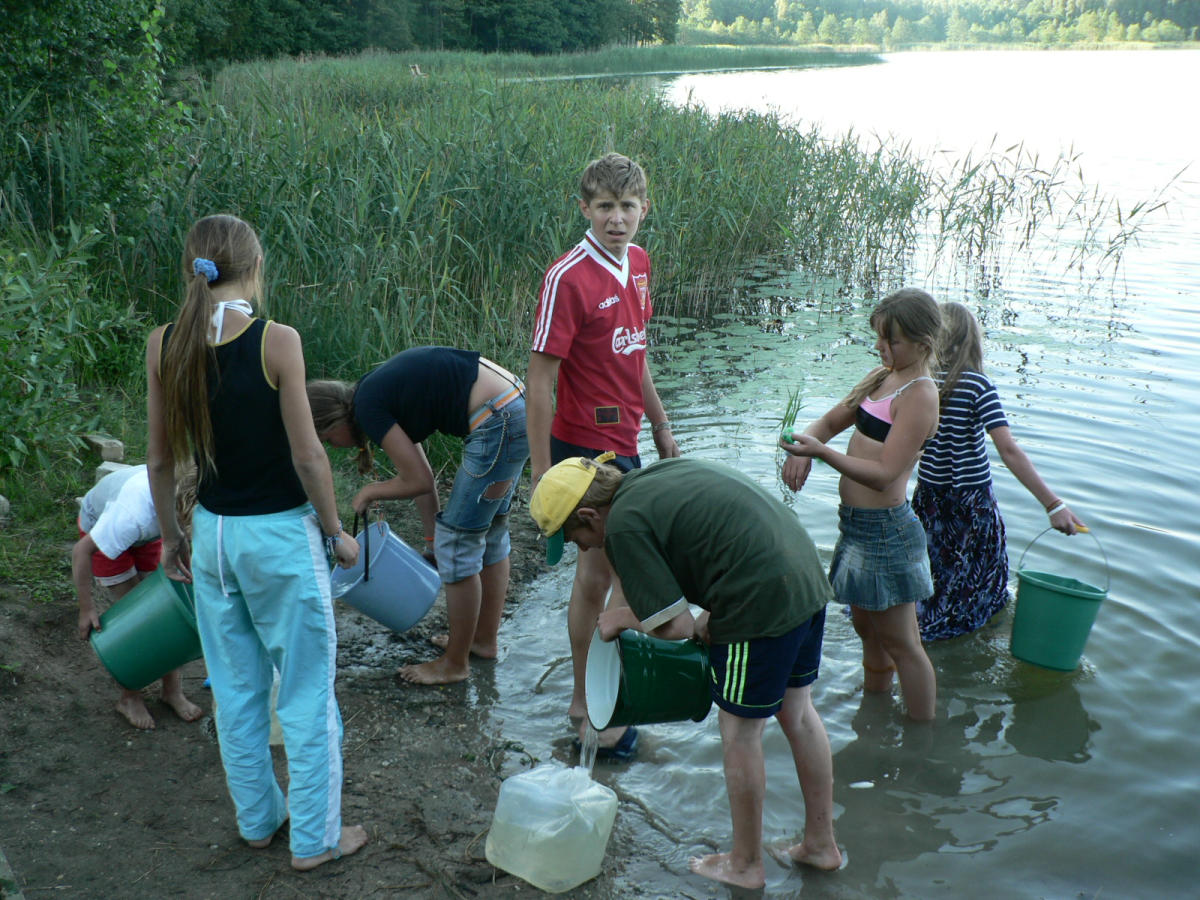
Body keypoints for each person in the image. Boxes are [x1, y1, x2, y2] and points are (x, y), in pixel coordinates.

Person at [145, 213, 367, 870]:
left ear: (192, 269)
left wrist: (171, 536)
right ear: (256, 267)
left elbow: (159, 460)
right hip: (280, 538)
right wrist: (336, 531)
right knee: (304, 690)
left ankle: (258, 820)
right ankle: (317, 839)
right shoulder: (277, 341)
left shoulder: (163, 344)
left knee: (237, 688)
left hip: (212, 534)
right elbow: (308, 455)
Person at [530, 455, 842, 889]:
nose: (583, 549)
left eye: (575, 539)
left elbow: (674, 627)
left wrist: (623, 618)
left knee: (738, 731)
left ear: (588, 515)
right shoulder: (647, 481)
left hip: (759, 597)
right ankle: (821, 845)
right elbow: (719, 539)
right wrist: (708, 613)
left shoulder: (621, 527)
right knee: (799, 713)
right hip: (802, 574)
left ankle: (745, 865)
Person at [525, 152, 680, 755]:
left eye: (627, 206)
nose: (617, 219)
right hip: (584, 447)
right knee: (603, 573)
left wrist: (661, 425)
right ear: (584, 209)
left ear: (645, 209)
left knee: (616, 570)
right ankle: (589, 701)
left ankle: (602, 690)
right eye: (605, 207)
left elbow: (635, 355)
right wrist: (543, 474)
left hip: (628, 441)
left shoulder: (638, 263)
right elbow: (540, 379)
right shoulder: (567, 277)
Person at [307, 347, 529, 685]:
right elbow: (422, 475)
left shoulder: (369, 407)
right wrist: (431, 541)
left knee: (458, 544)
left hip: (497, 419)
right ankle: (482, 642)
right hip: (512, 404)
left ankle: (454, 664)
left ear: (332, 422)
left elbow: (418, 481)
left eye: (327, 439)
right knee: (490, 535)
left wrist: (369, 492)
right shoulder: (372, 393)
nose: (334, 447)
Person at [779, 288, 940, 722]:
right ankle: (875, 713)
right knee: (867, 629)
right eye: (879, 337)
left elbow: (885, 473)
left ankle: (921, 736)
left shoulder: (920, 395)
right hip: (855, 527)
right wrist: (804, 447)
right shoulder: (881, 377)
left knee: (903, 643)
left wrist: (821, 453)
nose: (881, 347)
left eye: (892, 340)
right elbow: (831, 421)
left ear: (923, 343)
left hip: (887, 531)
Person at [912, 301, 1086, 641]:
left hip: (928, 500)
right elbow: (1008, 449)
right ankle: (956, 639)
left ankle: (916, 629)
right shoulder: (978, 386)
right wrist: (1053, 504)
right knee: (976, 583)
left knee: (930, 576)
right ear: (971, 340)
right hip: (971, 505)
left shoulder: (921, 383)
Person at [73, 463, 203, 730]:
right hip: (102, 531)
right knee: (142, 618)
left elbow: (181, 544)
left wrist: (189, 579)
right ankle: (129, 697)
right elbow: (81, 551)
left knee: (172, 615)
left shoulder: (182, 502)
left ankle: (172, 691)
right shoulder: (132, 516)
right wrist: (86, 608)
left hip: (149, 535)